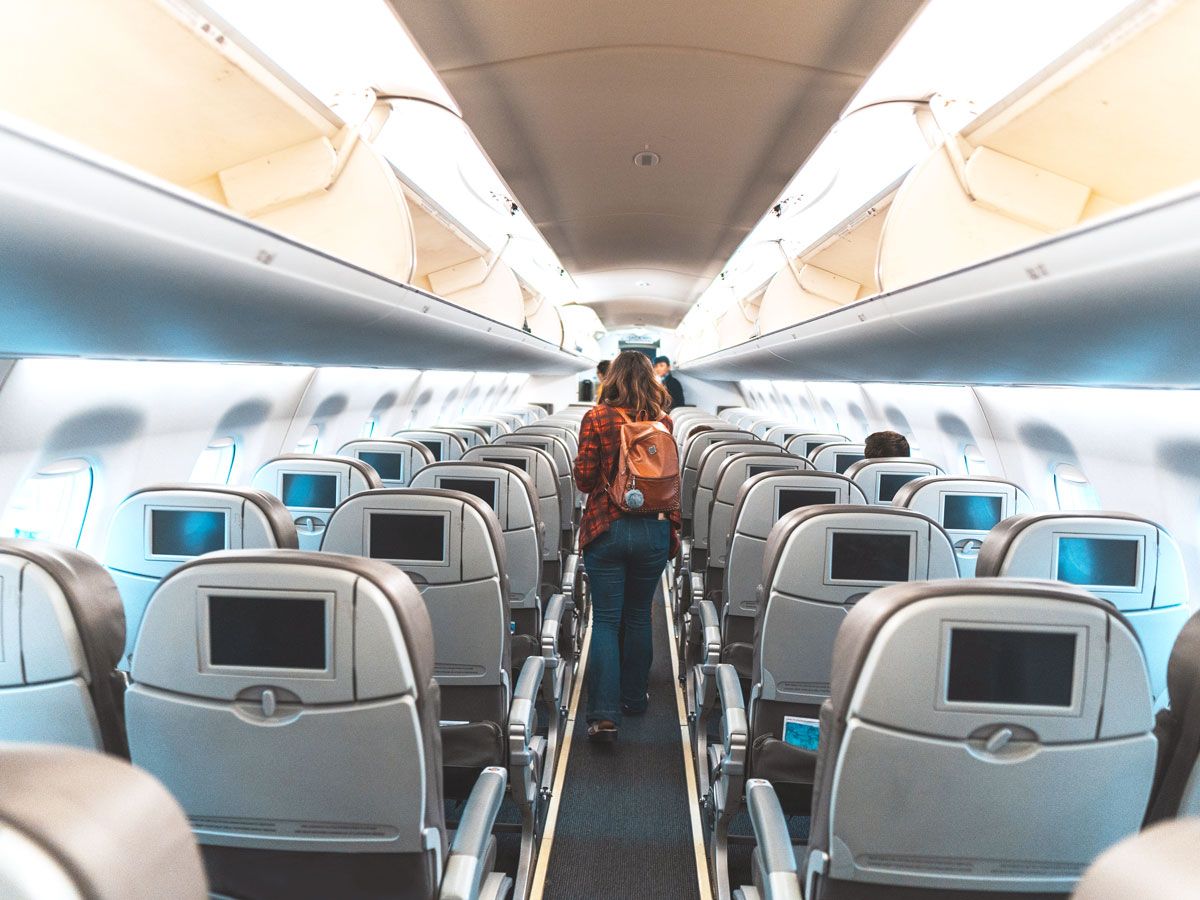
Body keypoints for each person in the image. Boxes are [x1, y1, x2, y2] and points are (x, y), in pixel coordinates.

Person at [573, 351, 681, 742]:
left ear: (612, 378)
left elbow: (585, 480)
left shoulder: (598, 417)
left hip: (608, 526)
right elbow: (671, 485)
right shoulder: (663, 422)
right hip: (653, 529)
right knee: (638, 615)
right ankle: (634, 699)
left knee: (605, 619)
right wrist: (672, 531)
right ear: (650, 380)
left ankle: (603, 716)